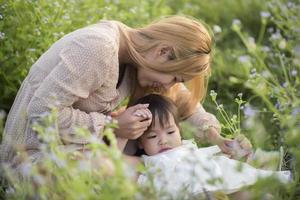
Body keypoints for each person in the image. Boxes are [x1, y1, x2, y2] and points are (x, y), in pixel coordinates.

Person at [0, 15, 249, 171]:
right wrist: (113, 126)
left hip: (76, 154)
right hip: (31, 162)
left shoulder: (135, 61)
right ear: (163, 52)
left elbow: (185, 102)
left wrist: (216, 137)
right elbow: (41, 113)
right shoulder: (98, 48)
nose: (169, 85)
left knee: (163, 165)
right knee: (148, 171)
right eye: (173, 77)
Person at [123, 94, 290, 199]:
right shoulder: (146, 163)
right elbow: (115, 159)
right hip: (193, 193)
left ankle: (275, 179)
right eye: (152, 136)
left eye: (170, 132)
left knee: (249, 191)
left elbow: (218, 162)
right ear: (140, 142)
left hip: (216, 181)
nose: (163, 140)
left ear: (179, 131)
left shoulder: (189, 149)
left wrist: (227, 146)